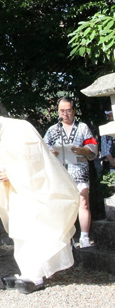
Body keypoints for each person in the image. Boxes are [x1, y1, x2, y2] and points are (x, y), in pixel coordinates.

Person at [0, 105, 80, 294]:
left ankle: (36, 275)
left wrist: (11, 174)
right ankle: (26, 271)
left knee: (36, 229)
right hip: (15, 192)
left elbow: (34, 162)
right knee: (20, 232)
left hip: (35, 190)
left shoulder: (19, 128)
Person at [43, 97, 98, 248]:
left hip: (79, 168)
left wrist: (82, 150)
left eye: (68, 110)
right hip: (61, 171)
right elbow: (43, 148)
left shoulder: (82, 128)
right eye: (62, 111)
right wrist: (50, 153)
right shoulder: (53, 130)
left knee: (83, 202)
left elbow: (93, 149)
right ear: (58, 112)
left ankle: (85, 236)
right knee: (63, 205)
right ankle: (67, 238)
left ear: (74, 111)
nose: (65, 114)